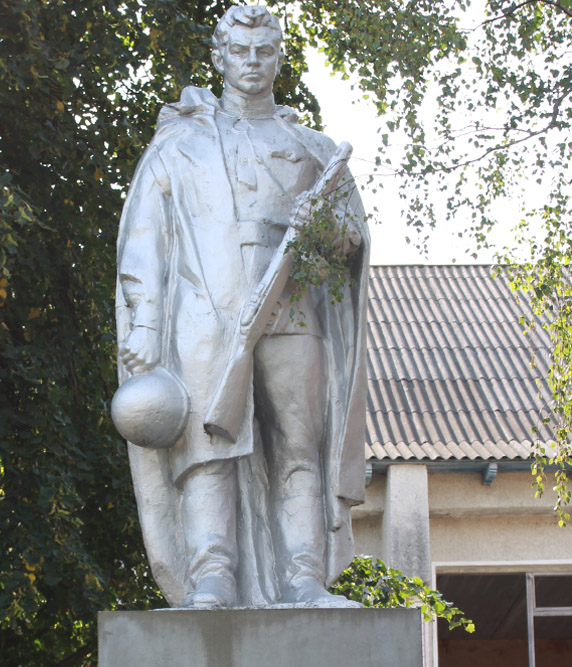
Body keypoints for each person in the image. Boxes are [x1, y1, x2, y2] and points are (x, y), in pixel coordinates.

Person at [114, 5, 369, 608]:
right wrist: (146, 327)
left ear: (279, 56)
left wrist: (326, 231)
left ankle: (305, 581)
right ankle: (211, 580)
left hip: (293, 312)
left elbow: (351, 239)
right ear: (221, 56)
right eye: (240, 51)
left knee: (298, 447)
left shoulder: (312, 149)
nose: (252, 62)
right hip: (206, 316)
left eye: (264, 51)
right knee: (208, 449)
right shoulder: (180, 146)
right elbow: (145, 242)